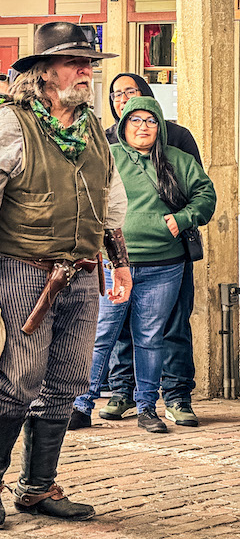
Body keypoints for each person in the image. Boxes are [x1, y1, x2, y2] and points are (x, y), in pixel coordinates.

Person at [0, 21, 131, 530]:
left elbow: (110, 201)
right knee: (16, 381)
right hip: (22, 272)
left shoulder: (94, 128)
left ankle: (37, 489)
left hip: (80, 274)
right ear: (43, 72)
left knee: (66, 382)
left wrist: (118, 262)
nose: (87, 71)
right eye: (76, 62)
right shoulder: (11, 123)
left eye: (90, 64)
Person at [70, 96, 216, 434]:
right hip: (113, 264)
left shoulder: (178, 160)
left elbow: (206, 196)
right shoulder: (108, 157)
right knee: (101, 335)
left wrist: (183, 218)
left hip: (165, 265)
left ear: (160, 126)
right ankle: (81, 404)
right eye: (135, 120)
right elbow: (84, 196)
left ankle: (148, 407)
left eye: (150, 121)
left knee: (150, 338)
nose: (142, 127)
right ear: (123, 125)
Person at [104, 73, 203, 427]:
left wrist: (181, 218)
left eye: (130, 92)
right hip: (120, 258)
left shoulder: (176, 138)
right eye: (116, 94)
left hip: (169, 255)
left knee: (171, 326)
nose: (121, 99)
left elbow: (199, 189)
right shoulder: (107, 142)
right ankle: (122, 392)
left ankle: (177, 396)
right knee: (117, 329)